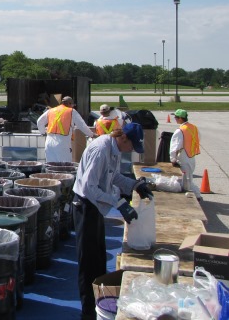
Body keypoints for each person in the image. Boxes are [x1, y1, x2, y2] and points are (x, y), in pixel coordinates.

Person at [72, 123, 154, 320]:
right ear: (123, 137)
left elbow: (114, 176)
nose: (132, 150)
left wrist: (135, 185)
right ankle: (88, 312)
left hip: (96, 207)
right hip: (84, 206)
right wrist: (119, 203)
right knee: (88, 262)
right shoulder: (101, 149)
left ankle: (99, 302)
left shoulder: (115, 149)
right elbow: (89, 188)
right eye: (132, 146)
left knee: (99, 258)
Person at [36, 96, 95, 162]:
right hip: (62, 143)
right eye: (73, 105)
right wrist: (91, 134)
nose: (73, 106)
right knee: (64, 167)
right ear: (69, 103)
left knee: (51, 167)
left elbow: (39, 122)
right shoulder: (71, 111)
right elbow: (82, 125)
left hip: (49, 142)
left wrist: (43, 132)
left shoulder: (51, 110)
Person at [170, 109, 202, 201]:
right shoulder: (194, 127)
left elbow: (174, 147)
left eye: (176, 117)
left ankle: (196, 195)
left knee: (187, 179)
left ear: (180, 118)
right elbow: (198, 138)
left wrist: (173, 159)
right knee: (188, 177)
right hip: (191, 156)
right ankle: (194, 195)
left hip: (183, 156)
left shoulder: (180, 131)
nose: (175, 119)